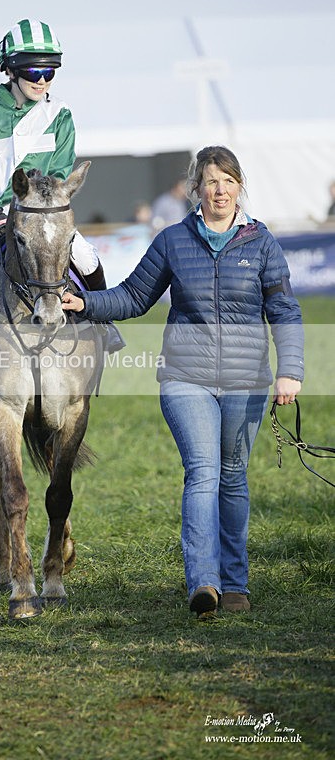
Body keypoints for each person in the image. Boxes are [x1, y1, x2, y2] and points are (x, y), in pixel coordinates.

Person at [62, 145, 304, 619]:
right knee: (202, 471)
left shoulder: (261, 242)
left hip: (246, 381)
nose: (220, 190)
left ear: (240, 188)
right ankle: (205, 583)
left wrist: (290, 369)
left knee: (232, 479)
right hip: (185, 378)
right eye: (211, 181)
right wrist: (85, 305)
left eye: (229, 181)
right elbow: (134, 296)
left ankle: (236, 583)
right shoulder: (174, 240)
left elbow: (284, 310)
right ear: (196, 188)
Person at [0, 18, 122, 367]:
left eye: (51, 72)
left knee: (88, 258)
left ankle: (104, 326)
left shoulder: (60, 115)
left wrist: (37, 204)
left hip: (43, 213)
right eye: (34, 72)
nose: (43, 80)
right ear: (12, 70)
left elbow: (61, 171)